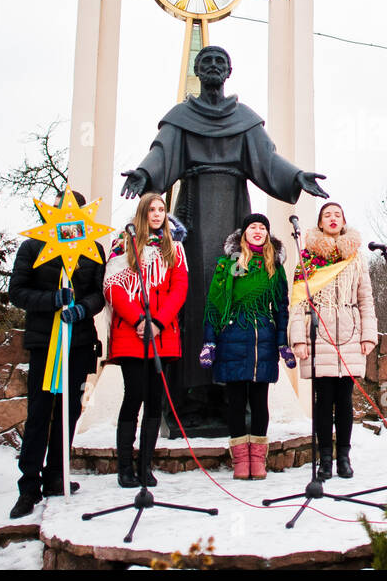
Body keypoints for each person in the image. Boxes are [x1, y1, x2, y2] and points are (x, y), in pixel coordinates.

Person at [119, 46, 328, 408]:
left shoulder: (244, 119)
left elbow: (268, 159)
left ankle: (230, 389)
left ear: (229, 70)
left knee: (236, 289)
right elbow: (161, 153)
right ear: (197, 71)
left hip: (234, 209)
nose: (214, 67)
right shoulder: (180, 118)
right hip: (193, 210)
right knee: (197, 292)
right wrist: (144, 172)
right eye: (207, 62)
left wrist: (296, 175)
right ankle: (192, 392)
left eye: (220, 62)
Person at [7, 189, 105, 519]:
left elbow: (98, 294)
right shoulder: (33, 247)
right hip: (45, 342)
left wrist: (81, 309)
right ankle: (29, 484)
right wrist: (52, 299)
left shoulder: (93, 250)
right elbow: (17, 291)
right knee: (40, 412)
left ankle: (56, 475)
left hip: (78, 342)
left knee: (69, 410)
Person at [200, 213, 295, 479]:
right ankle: (241, 460)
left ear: (267, 234)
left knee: (260, 402)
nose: (257, 231)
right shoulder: (231, 263)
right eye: (253, 227)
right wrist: (210, 341)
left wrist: (281, 343)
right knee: (236, 402)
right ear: (244, 233)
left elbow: (280, 307)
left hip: (262, 340)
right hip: (233, 336)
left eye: (262, 227)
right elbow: (215, 303)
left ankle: (257, 459)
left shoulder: (273, 267)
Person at [103, 192, 189, 488]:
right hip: (131, 333)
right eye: (151, 209)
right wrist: (140, 320)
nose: (157, 214)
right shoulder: (123, 244)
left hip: (161, 335)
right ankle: (124, 466)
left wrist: (158, 322)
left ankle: (145, 465)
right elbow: (113, 288)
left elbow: (179, 288)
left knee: (155, 400)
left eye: (161, 209)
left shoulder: (174, 248)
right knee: (134, 395)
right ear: (142, 213)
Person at [289, 202, 377, 480]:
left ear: (344, 220)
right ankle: (325, 457)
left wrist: (368, 335)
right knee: (323, 400)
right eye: (328, 214)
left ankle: (344, 457)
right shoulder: (307, 257)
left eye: (337, 214)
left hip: (350, 331)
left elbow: (365, 297)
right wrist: (299, 340)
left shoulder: (356, 257)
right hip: (320, 332)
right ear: (320, 222)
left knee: (345, 400)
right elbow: (297, 301)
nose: (333, 218)